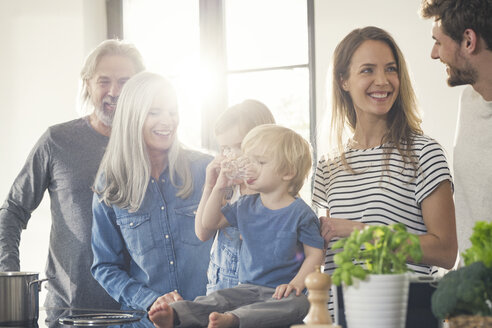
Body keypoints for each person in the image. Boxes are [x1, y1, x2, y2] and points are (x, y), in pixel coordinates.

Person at [312, 26, 458, 315]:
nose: (383, 81)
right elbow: (319, 253)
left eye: (391, 69)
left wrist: (363, 233)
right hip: (337, 315)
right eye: (367, 70)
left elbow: (445, 252)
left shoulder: (424, 153)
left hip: (403, 313)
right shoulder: (328, 165)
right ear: (344, 80)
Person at [0, 39, 144, 312]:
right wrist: (10, 278)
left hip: (138, 312)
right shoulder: (57, 141)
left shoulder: (150, 146)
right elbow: (13, 210)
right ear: (87, 84)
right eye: (104, 81)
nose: (114, 91)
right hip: (69, 312)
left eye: (125, 81)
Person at [148, 124, 325, 328]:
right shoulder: (245, 205)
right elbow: (209, 223)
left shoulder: (301, 213)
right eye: (249, 160)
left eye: (260, 162)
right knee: (219, 299)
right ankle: (175, 316)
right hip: (246, 290)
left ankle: (233, 320)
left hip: (280, 294)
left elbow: (315, 255)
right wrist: (219, 187)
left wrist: (295, 284)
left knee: (300, 303)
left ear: (287, 172)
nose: (250, 167)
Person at [91, 71, 213, 314]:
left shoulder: (205, 170)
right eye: (154, 113)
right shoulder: (111, 183)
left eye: (172, 111)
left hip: (206, 318)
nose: (167, 121)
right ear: (132, 117)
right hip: (144, 321)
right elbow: (105, 266)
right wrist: (149, 300)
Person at [420, 0, 492, 254]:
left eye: (438, 42)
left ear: (468, 41)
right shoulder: (470, 101)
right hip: (470, 285)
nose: (434, 53)